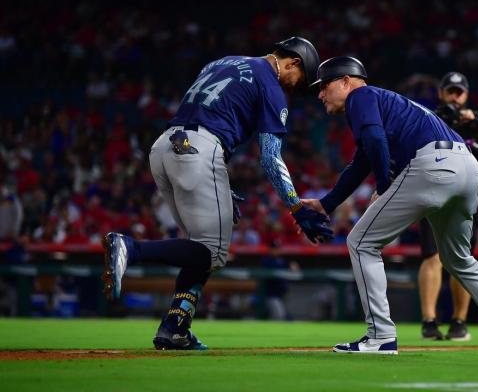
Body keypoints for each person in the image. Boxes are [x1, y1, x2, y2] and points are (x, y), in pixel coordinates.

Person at [102, 37, 333, 351]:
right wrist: (296, 206)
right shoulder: (271, 84)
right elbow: (270, 157)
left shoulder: (222, 61)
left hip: (165, 148)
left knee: (200, 245)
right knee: (212, 252)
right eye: (300, 78)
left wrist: (220, 185)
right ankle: (131, 247)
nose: (295, 87)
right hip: (200, 151)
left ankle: (176, 328)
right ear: (292, 62)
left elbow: (209, 109)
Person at [303, 56, 478, 357]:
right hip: (467, 168)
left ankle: (380, 336)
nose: (321, 93)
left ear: (346, 81)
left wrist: (384, 186)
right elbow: (362, 160)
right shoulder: (388, 103)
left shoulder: (360, 96)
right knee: (459, 260)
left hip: (433, 166)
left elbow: (375, 141)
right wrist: (326, 204)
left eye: (324, 85)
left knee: (361, 242)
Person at [418, 72, 478, 341]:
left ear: (466, 94)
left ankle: (459, 321)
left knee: (461, 259)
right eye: (451, 91)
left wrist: (477, 124)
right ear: (441, 93)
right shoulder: (430, 117)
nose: (455, 96)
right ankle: (429, 321)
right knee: (431, 257)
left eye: (459, 91)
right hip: (432, 193)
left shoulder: (476, 122)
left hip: (468, 198)